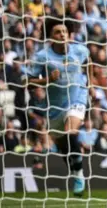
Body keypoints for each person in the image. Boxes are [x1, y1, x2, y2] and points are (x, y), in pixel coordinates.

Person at [26, 17, 90, 196]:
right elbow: (27, 83)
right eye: (57, 32)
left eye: (64, 32)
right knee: (65, 147)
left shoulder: (80, 50)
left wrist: (90, 83)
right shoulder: (42, 57)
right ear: (50, 36)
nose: (62, 35)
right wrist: (47, 80)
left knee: (71, 130)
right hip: (54, 107)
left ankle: (78, 176)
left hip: (77, 96)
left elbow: (89, 62)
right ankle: (75, 170)